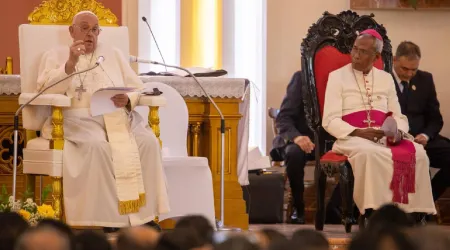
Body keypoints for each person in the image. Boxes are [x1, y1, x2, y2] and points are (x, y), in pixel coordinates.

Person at [36, 11, 169, 229]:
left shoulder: (113, 54)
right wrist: (70, 62)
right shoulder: (56, 54)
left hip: (116, 117)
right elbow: (44, 91)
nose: (90, 34)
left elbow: (139, 87)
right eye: (85, 28)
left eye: (95, 29)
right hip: (78, 120)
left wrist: (128, 98)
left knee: (148, 142)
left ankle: (143, 218)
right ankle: (110, 219)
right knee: (99, 146)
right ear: (72, 31)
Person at [322, 29, 436, 216]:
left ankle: (411, 213)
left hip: (384, 135)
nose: (356, 55)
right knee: (369, 153)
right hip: (351, 137)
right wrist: (358, 132)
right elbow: (330, 119)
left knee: (419, 153)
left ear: (376, 56)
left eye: (363, 52)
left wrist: (396, 131)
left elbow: (399, 116)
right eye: (354, 49)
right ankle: (373, 212)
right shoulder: (337, 77)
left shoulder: (385, 78)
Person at [392, 41, 450, 201]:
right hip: (394, 141)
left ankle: (426, 201)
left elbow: (435, 119)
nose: (410, 74)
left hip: (422, 140)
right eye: (405, 69)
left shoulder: (425, 79)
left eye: (414, 69)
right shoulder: (382, 78)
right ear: (394, 59)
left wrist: (425, 135)